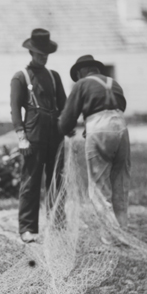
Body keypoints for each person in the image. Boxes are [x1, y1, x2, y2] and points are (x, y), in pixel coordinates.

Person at [57, 54, 131, 243]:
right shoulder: (113, 83)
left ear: (81, 71)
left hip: (99, 128)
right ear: (96, 69)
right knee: (120, 181)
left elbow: (68, 118)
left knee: (99, 185)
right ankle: (123, 229)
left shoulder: (82, 84)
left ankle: (110, 235)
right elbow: (118, 107)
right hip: (121, 127)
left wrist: (65, 128)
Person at [10, 28, 67, 243]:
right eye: (40, 54)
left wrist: (68, 127)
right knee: (31, 182)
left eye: (46, 54)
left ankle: (57, 224)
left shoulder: (54, 76)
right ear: (31, 52)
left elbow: (65, 106)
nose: (44, 57)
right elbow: (15, 110)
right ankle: (27, 228)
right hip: (33, 135)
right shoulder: (20, 77)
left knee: (57, 180)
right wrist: (21, 137)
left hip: (55, 134)